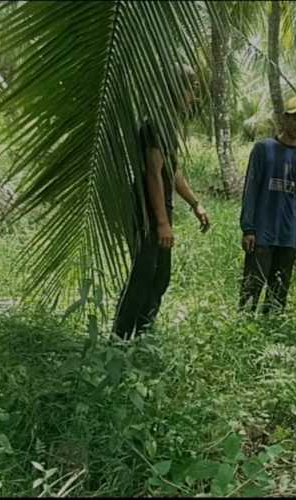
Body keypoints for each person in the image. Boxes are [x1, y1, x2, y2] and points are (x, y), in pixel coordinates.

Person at [113, 68, 210, 340]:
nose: (194, 96)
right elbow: (153, 172)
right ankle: (119, 338)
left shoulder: (168, 126)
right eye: (191, 88)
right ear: (174, 89)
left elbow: (172, 172)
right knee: (144, 274)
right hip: (147, 211)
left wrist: (195, 204)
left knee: (160, 275)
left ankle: (143, 335)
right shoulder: (155, 124)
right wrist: (162, 222)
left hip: (158, 210)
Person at [239, 96, 296, 313]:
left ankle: (270, 343)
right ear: (285, 119)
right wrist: (248, 228)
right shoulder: (264, 150)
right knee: (250, 293)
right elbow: (251, 190)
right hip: (261, 236)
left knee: (277, 300)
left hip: (288, 239)